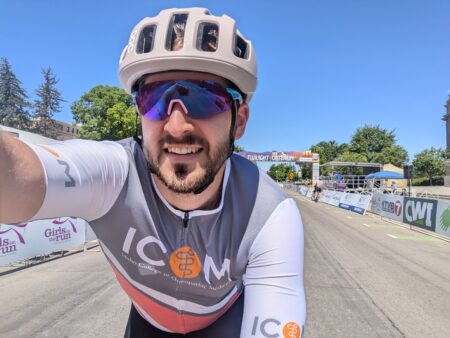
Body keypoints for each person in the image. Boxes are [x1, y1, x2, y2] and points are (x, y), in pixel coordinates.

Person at [0, 7, 305, 338]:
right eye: (155, 99)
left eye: (204, 99)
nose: (176, 126)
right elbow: (19, 178)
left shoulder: (270, 213)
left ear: (240, 120)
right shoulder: (113, 175)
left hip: (223, 323)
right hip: (148, 323)